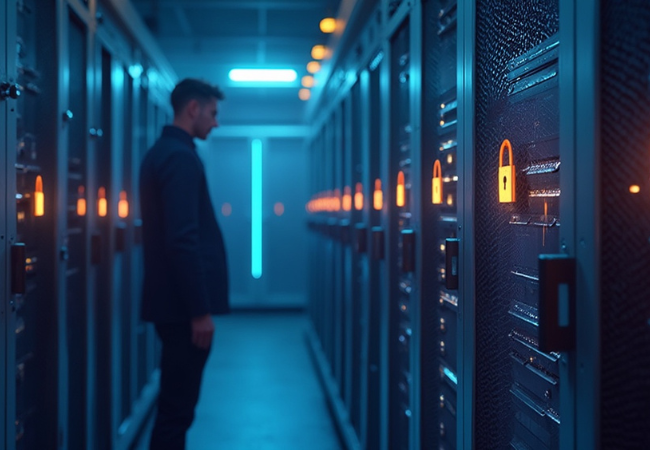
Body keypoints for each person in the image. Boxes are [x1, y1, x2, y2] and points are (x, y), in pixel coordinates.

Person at [139, 78, 230, 449]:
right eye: (212, 113)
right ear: (193, 108)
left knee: (175, 407)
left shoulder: (164, 153)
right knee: (177, 412)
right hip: (182, 311)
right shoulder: (179, 158)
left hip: (172, 307)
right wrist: (199, 311)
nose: (215, 122)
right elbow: (182, 240)